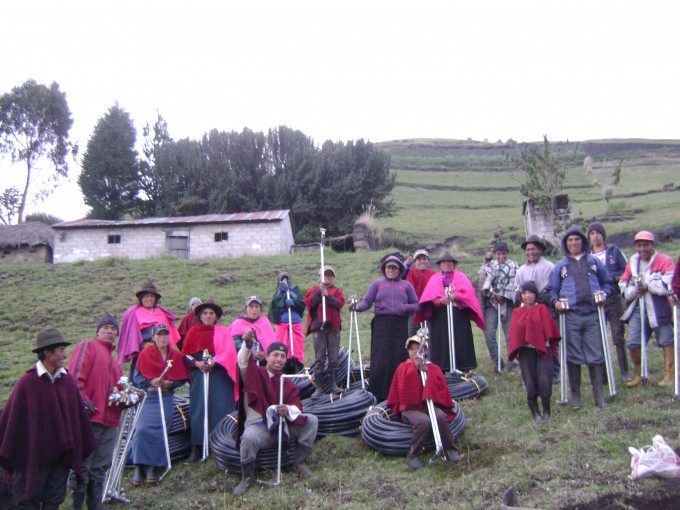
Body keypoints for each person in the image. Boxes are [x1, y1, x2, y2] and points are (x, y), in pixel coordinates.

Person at [0, 328, 96, 509]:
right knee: (27, 502)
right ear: (47, 352)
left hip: (60, 458)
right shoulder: (27, 383)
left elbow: (76, 419)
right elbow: (13, 422)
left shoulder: (66, 381)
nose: (64, 355)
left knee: (54, 500)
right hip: (33, 459)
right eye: (60, 350)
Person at [232, 341, 319, 497]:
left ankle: (298, 463)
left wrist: (287, 410)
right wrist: (247, 344)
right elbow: (242, 362)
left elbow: (297, 406)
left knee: (311, 420)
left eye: (283, 356)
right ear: (267, 356)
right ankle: (247, 478)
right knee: (249, 437)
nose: (279, 359)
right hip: (260, 428)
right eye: (275, 355)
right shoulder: (254, 374)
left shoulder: (287, 382)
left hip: (282, 426)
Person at [548, 225, 613, 409]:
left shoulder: (594, 262)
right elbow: (552, 289)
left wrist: (604, 295)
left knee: (596, 355)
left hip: (593, 314)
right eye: (570, 240)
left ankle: (599, 396)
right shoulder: (560, 266)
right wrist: (556, 302)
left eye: (577, 239)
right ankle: (576, 396)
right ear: (565, 244)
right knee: (573, 355)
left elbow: (608, 282)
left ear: (583, 241)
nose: (574, 243)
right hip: (571, 315)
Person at [66, 315, 126, 510]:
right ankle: (75, 505)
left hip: (110, 422)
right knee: (82, 465)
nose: (110, 331)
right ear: (98, 330)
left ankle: (95, 504)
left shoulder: (115, 363)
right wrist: (84, 402)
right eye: (106, 327)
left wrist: (130, 397)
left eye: (113, 328)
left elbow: (119, 391)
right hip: (90, 419)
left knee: (100, 466)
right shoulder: (88, 346)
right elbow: (75, 377)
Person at [387, 334, 461, 470]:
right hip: (410, 409)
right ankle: (413, 454)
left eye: (418, 348)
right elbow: (404, 390)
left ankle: (449, 447)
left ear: (425, 351)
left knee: (441, 417)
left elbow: (440, 390)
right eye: (412, 349)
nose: (415, 352)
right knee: (423, 422)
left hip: (429, 406)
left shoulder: (433, 368)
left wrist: (428, 373)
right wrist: (415, 369)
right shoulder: (403, 368)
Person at [353, 255, 420, 401]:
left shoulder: (406, 285)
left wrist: (404, 307)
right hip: (381, 325)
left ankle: (399, 390)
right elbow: (366, 302)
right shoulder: (377, 284)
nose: (391, 270)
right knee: (381, 357)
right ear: (384, 269)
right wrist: (356, 307)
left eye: (394, 268)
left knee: (398, 356)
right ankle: (378, 393)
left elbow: (416, 305)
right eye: (389, 267)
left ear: (399, 270)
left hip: (399, 325)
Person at [128, 324, 188, 484]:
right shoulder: (145, 354)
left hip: (166, 397)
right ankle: (139, 465)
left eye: (165, 335)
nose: (162, 338)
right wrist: (150, 381)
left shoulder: (175, 355)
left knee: (161, 430)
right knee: (141, 430)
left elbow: (182, 377)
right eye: (159, 335)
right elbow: (137, 378)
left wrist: (171, 384)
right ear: (153, 338)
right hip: (149, 397)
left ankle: (152, 467)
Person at [181, 300, 239, 463]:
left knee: (220, 407)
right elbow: (186, 354)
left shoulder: (223, 332)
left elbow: (229, 353)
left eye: (211, 313)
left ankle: (220, 443)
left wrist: (215, 361)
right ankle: (197, 446)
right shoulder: (193, 332)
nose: (208, 316)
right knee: (199, 408)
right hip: (200, 374)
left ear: (216, 317)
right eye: (205, 313)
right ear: (200, 315)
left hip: (219, 374)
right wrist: (197, 364)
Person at [619, 231, 676, 387]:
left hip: (659, 306)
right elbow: (623, 284)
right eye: (639, 245)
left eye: (646, 245)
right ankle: (639, 374)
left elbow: (669, 283)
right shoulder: (632, 263)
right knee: (632, 341)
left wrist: (648, 285)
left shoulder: (665, 260)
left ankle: (669, 374)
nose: (642, 248)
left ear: (652, 245)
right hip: (638, 305)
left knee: (666, 340)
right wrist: (634, 291)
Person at [415, 252, 484, 373]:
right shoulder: (435, 278)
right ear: (440, 265)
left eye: (449, 262)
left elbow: (468, 294)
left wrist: (455, 297)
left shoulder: (461, 277)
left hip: (458, 315)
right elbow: (430, 297)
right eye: (444, 262)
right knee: (440, 341)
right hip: (440, 317)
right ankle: (441, 368)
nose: (447, 264)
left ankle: (463, 367)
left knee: (461, 340)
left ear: (454, 264)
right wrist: (440, 300)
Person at [508, 281, 561, 424]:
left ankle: (547, 411)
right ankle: (535, 412)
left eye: (530, 293)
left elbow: (550, 330)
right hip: (526, 352)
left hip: (543, 350)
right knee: (530, 384)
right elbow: (514, 334)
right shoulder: (517, 312)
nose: (527, 296)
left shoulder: (542, 309)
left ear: (535, 294)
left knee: (545, 381)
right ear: (521, 296)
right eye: (524, 293)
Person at [587, 221, 631, 382]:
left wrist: (612, 278)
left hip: (613, 298)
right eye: (592, 233)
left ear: (603, 235)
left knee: (618, 335)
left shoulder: (614, 251)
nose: (595, 236)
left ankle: (625, 371)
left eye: (598, 233)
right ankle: (604, 375)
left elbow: (626, 270)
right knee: (599, 337)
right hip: (594, 301)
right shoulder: (587, 256)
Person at [513, 234, 559, 382]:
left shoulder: (549, 267)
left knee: (548, 339)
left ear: (540, 250)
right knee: (527, 341)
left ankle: (553, 372)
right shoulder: (521, 270)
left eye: (534, 249)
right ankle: (529, 372)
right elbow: (516, 288)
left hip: (544, 309)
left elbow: (548, 289)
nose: (530, 252)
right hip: (526, 310)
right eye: (528, 249)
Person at [117, 282, 181, 376]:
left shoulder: (161, 312)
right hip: (143, 353)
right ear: (141, 298)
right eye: (147, 296)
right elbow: (132, 337)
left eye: (152, 296)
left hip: (162, 353)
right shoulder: (134, 313)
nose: (150, 299)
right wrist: (144, 346)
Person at [304, 265, 346, 399]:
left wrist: (327, 296)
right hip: (318, 328)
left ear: (333, 277)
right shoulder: (313, 290)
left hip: (332, 328)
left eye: (330, 275)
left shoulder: (337, 291)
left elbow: (339, 304)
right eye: (325, 275)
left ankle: (334, 385)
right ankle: (319, 388)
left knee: (334, 357)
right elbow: (310, 303)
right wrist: (319, 293)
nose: (327, 277)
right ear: (319, 277)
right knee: (319, 359)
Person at [478, 242, 519, 373]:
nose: (501, 256)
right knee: (489, 333)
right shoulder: (489, 266)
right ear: (495, 254)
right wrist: (491, 294)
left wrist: (505, 295)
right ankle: (498, 362)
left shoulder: (513, 266)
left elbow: (515, 284)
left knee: (509, 334)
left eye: (503, 253)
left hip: (508, 303)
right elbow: (483, 281)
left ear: (507, 254)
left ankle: (512, 362)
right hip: (492, 303)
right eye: (498, 254)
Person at [268, 272, 306, 373]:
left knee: (297, 349)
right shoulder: (277, 295)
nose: (285, 281)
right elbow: (273, 309)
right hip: (282, 326)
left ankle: (297, 368)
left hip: (295, 325)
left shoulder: (296, 291)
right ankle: (281, 371)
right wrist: (283, 300)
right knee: (281, 348)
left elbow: (302, 305)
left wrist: (293, 301)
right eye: (282, 279)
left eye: (287, 279)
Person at [402, 249, 436, 336]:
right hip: (414, 310)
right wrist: (407, 264)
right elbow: (400, 273)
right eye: (419, 259)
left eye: (424, 259)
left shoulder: (432, 274)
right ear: (415, 262)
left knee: (429, 336)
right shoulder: (410, 272)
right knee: (412, 336)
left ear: (428, 261)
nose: (422, 261)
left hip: (429, 309)